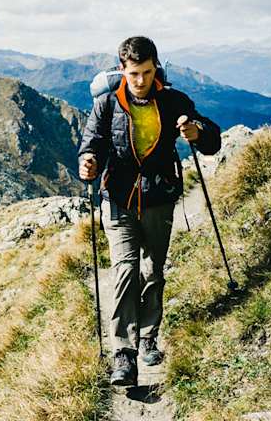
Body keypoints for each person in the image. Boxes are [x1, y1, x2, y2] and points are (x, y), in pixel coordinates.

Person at [77, 36, 222, 386]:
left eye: (145, 72)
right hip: (119, 198)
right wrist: (88, 161)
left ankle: (148, 338)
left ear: (155, 66)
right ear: (122, 70)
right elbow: (91, 142)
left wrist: (195, 131)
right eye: (132, 74)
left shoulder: (174, 101)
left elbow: (212, 140)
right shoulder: (108, 105)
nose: (139, 80)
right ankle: (123, 355)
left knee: (152, 271)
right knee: (125, 269)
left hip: (158, 198)